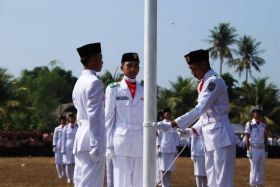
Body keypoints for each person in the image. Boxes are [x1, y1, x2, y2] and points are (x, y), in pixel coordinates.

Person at [159, 49, 236, 187]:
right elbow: (206, 115)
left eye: (193, 68)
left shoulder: (214, 81)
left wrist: (173, 124)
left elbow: (200, 109)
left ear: (204, 64)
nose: (192, 73)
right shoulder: (203, 83)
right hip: (209, 136)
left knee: (222, 181)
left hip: (221, 136)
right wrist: (192, 130)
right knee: (211, 180)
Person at [105, 52, 144, 187]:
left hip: (140, 142)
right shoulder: (113, 89)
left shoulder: (144, 89)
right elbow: (109, 118)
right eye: (129, 65)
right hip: (121, 142)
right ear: (122, 67)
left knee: (139, 182)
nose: (133, 69)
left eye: (136, 66)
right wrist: (108, 145)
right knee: (122, 182)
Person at [72, 42, 106, 187]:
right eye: (100, 58)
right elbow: (95, 117)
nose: (102, 61)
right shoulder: (94, 83)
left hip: (81, 137)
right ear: (92, 60)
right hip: (92, 138)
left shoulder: (79, 81)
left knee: (81, 180)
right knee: (91, 183)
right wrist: (96, 144)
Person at [244, 105, 268, 187]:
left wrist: (266, 150)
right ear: (252, 113)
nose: (258, 114)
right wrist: (247, 150)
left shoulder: (263, 125)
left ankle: (260, 184)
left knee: (261, 169)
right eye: (256, 112)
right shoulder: (249, 124)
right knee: (254, 169)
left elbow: (265, 138)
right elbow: (247, 137)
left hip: (261, 149)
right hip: (253, 149)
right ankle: (253, 184)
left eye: (259, 112)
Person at [157, 108, 180, 187]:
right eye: (167, 113)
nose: (168, 115)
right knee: (162, 169)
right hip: (163, 148)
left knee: (169, 169)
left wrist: (176, 147)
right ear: (164, 114)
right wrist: (158, 147)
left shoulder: (173, 124)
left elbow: (176, 136)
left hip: (171, 148)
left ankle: (168, 185)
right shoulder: (160, 124)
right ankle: (163, 185)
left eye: (170, 113)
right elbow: (158, 136)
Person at [61, 113, 78, 183]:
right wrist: (63, 149)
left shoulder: (78, 127)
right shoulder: (66, 128)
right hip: (68, 147)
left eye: (74, 118)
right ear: (69, 119)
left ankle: (75, 177)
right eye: (71, 118)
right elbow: (63, 138)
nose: (72, 119)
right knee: (68, 163)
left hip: (75, 146)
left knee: (75, 163)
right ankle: (69, 177)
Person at [190, 119, 207, 187]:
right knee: (198, 173)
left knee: (206, 173)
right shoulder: (197, 125)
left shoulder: (210, 123)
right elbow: (193, 140)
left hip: (207, 152)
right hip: (198, 152)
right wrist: (193, 153)